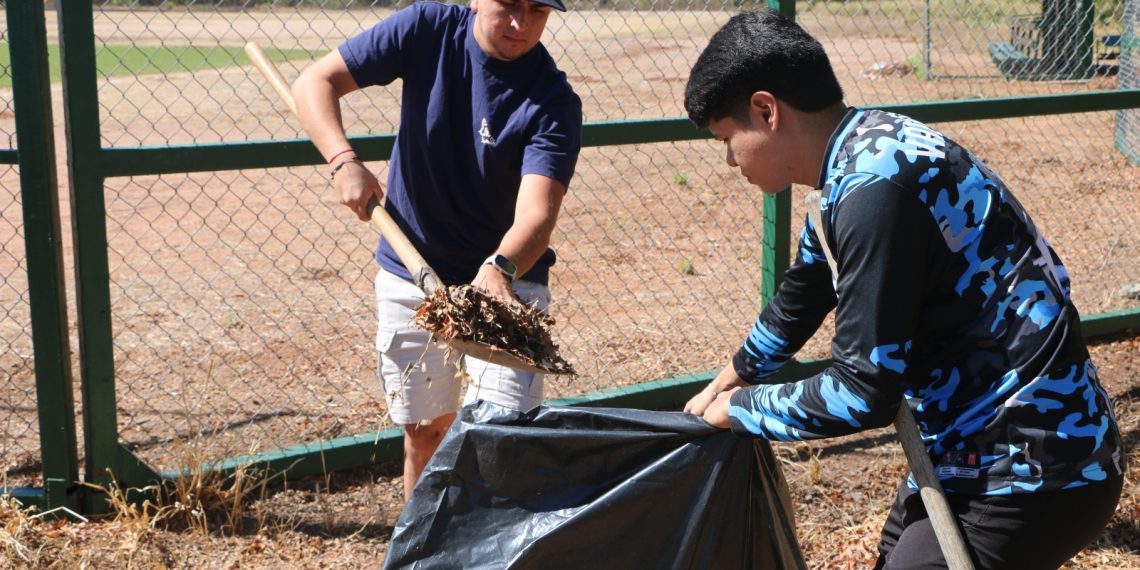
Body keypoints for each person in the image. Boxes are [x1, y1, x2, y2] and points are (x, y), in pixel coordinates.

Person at [681, 10, 1123, 569]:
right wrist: (727, 380)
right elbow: (804, 294)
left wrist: (740, 410)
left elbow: (862, 391)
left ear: (767, 111)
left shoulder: (873, 192)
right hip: (972, 449)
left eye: (727, 137)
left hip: (1031, 468)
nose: (729, 160)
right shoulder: (862, 155)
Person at [291, 0, 582, 500]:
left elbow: (538, 214)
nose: (520, 24)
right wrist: (343, 161)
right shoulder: (426, 29)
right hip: (412, 268)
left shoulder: (553, 100)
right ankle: (420, 551)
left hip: (507, 287)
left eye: (537, 11)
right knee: (425, 431)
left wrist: (498, 269)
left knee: (501, 440)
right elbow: (314, 83)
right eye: (508, 5)